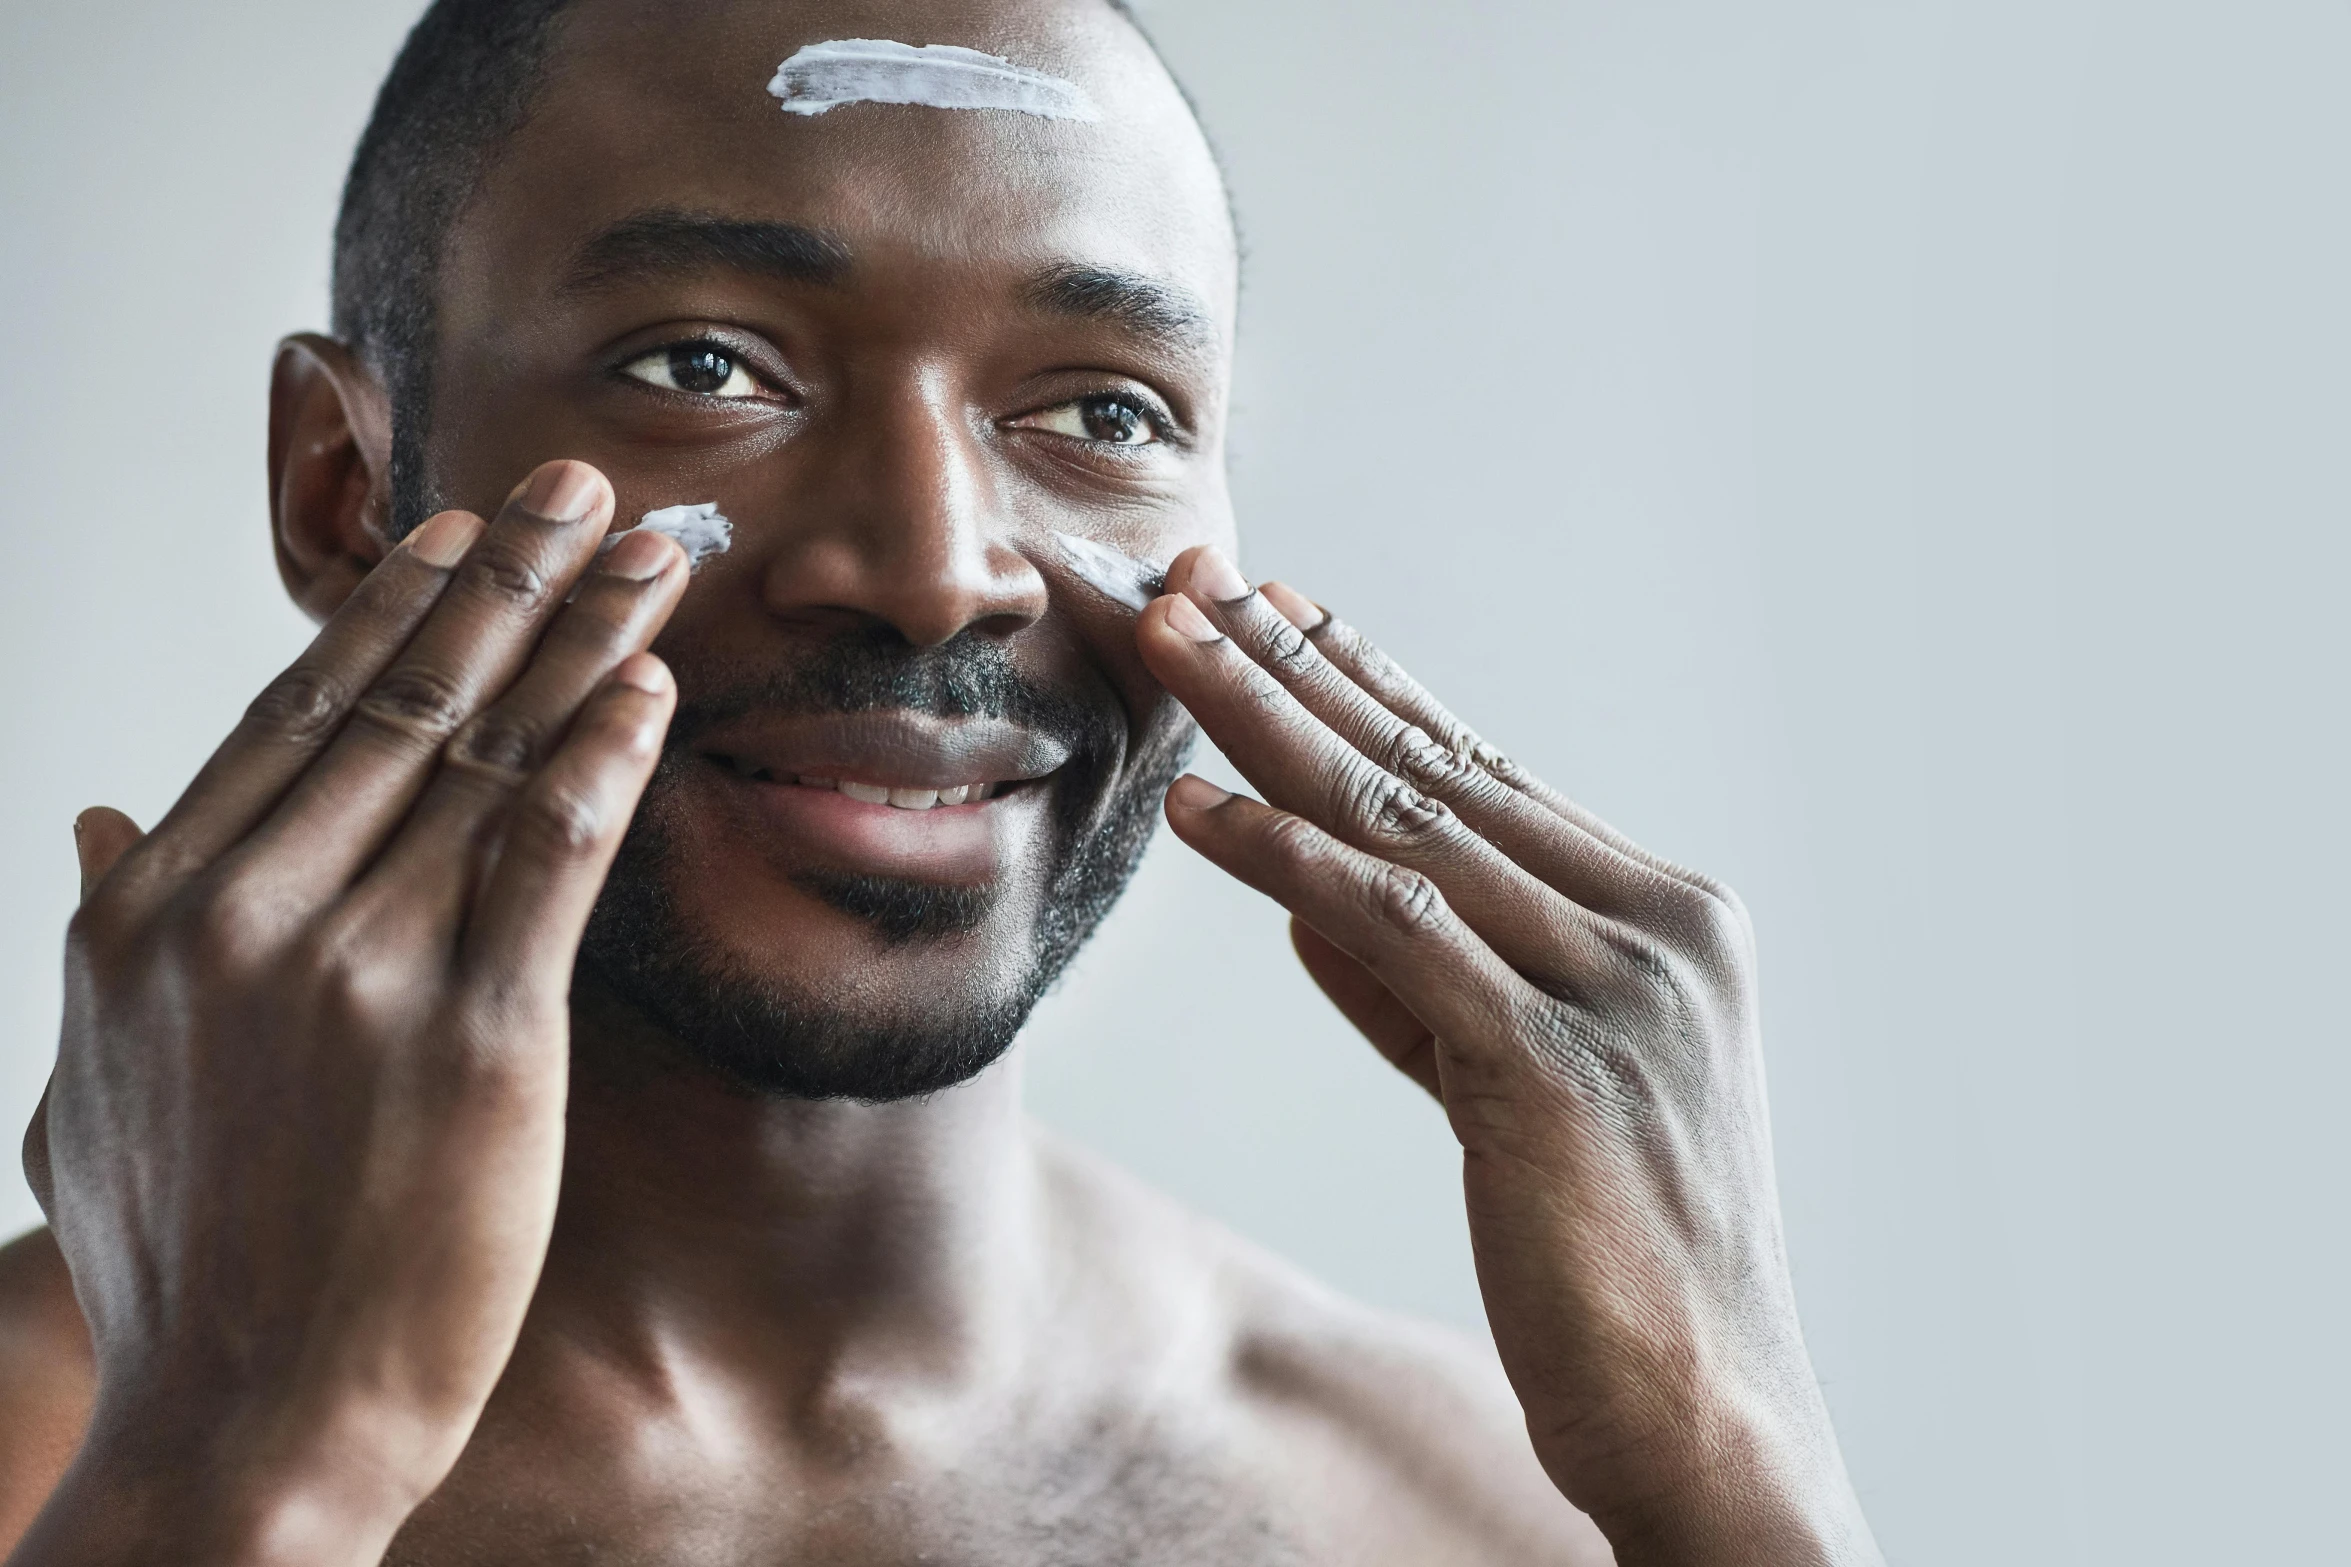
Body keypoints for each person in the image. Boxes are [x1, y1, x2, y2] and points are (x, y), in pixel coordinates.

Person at [0, 0, 1883, 1561]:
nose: (934, 565)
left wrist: (1738, 1478)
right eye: (706, 361)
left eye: (1099, 411)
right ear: (344, 487)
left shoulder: (1479, 1508)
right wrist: (235, 1483)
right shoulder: (74, 1459)